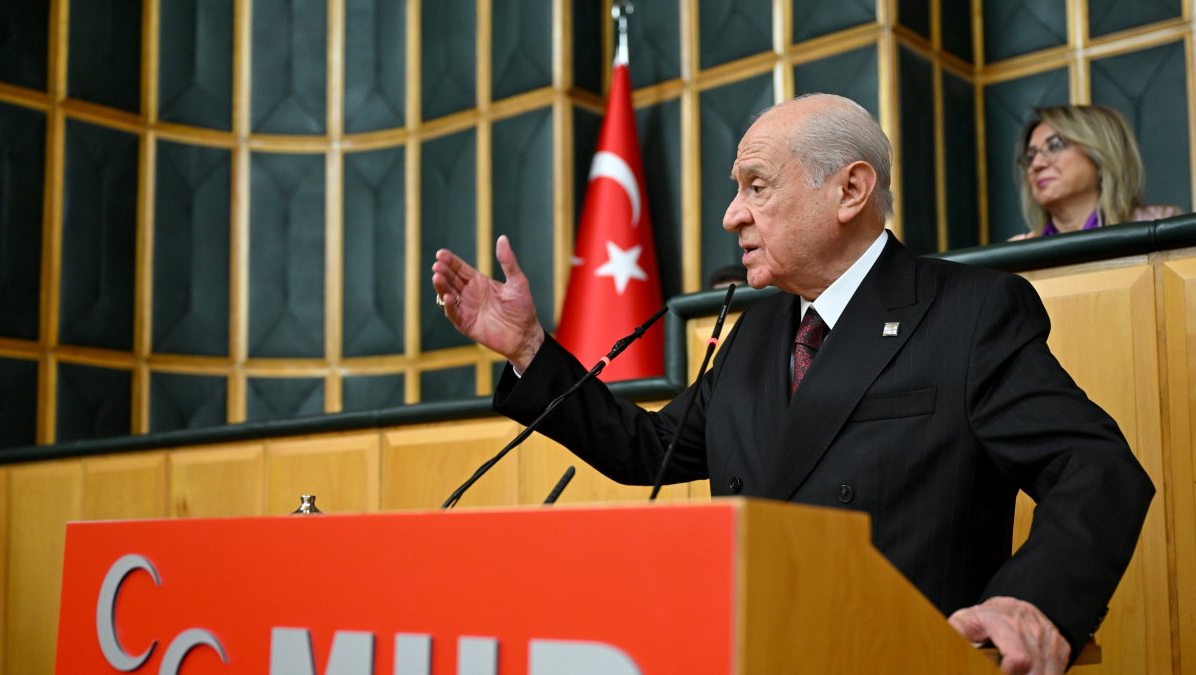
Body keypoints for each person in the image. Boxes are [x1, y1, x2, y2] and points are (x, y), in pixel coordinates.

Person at [431, 93, 1153, 674]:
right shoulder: (757, 335)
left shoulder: (969, 312)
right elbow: (646, 448)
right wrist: (529, 346)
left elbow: (1095, 467)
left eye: (757, 187)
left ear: (851, 189)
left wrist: (1030, 600)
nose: (731, 214)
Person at [1012, 104, 1182, 239]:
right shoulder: (1024, 250)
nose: (1037, 164)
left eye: (1055, 146)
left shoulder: (1159, 226)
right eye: (1031, 155)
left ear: (1101, 157)